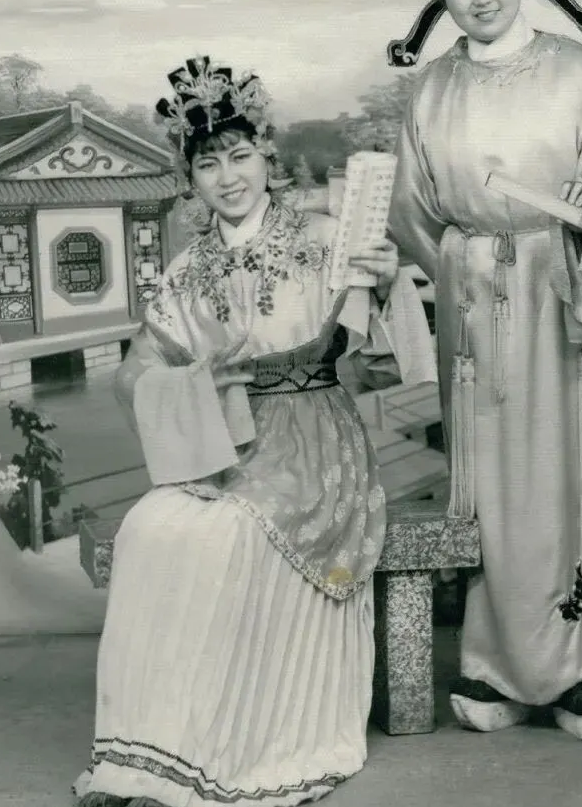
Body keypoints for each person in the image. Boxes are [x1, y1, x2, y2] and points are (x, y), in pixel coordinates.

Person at [74, 56, 436, 807]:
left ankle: (227, 748)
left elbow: (386, 360)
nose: (228, 177)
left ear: (267, 156)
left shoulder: (328, 237)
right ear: (190, 178)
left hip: (312, 436)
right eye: (208, 164)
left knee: (225, 536)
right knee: (149, 528)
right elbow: (136, 372)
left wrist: (385, 280)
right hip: (224, 440)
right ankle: (151, 755)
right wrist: (186, 385)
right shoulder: (187, 269)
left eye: (239, 156)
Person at [387, 0, 582, 742]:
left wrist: (581, 228)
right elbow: (412, 212)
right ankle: (496, 662)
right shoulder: (428, 90)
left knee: (570, 476)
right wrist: (465, 267)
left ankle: (580, 670)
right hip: (477, 310)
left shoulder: (580, 73)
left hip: (567, 292)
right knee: (496, 489)